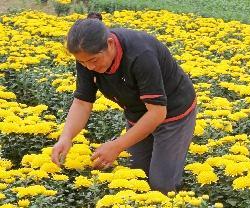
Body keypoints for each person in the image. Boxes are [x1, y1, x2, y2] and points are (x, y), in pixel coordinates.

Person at [51, 13, 197, 193]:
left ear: (110, 44)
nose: (89, 67)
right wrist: (66, 137)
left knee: (161, 185)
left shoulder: (141, 54)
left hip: (174, 112)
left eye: (93, 61)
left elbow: (157, 113)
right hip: (138, 113)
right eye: (82, 62)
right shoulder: (87, 58)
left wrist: (117, 145)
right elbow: (82, 102)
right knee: (134, 176)